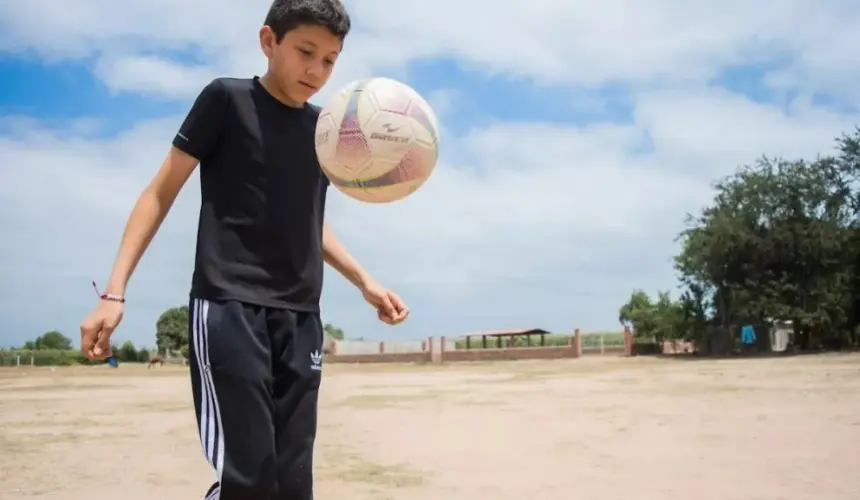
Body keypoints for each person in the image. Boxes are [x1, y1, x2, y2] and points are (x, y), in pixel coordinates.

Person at [78, 1, 410, 498]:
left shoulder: (325, 132)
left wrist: (365, 280)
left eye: (330, 60)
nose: (316, 70)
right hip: (228, 306)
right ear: (268, 41)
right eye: (305, 51)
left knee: (294, 482)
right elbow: (159, 193)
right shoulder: (225, 101)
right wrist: (114, 292)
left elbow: (310, 221)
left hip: (301, 316)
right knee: (250, 477)